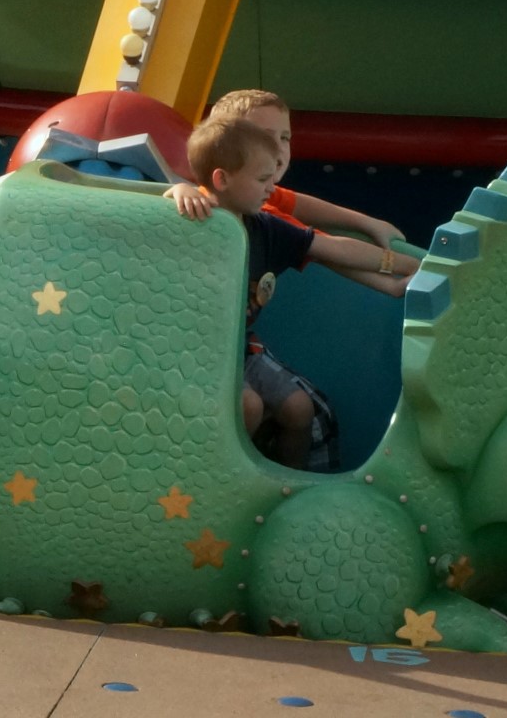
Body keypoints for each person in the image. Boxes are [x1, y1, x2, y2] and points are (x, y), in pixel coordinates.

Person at [185, 116, 419, 469]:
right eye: (262, 180)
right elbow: (154, 213)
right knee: (247, 407)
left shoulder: (264, 226)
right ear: (222, 179)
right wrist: (177, 191)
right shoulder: (193, 221)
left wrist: (408, 266)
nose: (270, 188)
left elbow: (335, 249)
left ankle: (284, 483)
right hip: (192, 353)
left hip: (238, 351)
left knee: (300, 407)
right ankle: (225, 485)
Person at [167, 90, 406, 251]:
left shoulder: (254, 195)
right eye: (265, 138)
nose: (279, 149)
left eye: (285, 137)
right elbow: (333, 250)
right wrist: (404, 265)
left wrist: (368, 223)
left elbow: (297, 203)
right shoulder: (261, 214)